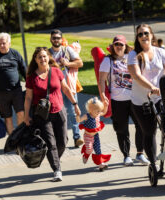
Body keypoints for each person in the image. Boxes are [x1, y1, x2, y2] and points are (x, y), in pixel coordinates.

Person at [24, 47, 81, 182]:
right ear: (35, 60)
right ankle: (57, 169)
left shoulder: (56, 71)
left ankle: (53, 157)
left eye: (44, 56)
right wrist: (26, 115)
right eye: (39, 57)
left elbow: (66, 89)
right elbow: (28, 98)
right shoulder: (32, 77)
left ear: (48, 57)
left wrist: (75, 104)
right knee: (51, 143)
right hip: (42, 115)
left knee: (63, 141)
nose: (42, 59)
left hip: (59, 111)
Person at [127, 24, 165, 171]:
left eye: (146, 33)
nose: (143, 36)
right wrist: (152, 88)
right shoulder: (133, 55)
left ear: (151, 35)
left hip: (161, 98)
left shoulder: (160, 52)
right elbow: (136, 75)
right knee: (149, 132)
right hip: (141, 101)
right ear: (137, 38)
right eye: (140, 34)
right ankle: (154, 164)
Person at [98, 35, 150, 166]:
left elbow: (142, 74)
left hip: (135, 98)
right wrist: (102, 95)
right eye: (116, 45)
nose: (119, 47)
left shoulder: (132, 57)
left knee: (141, 126)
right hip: (117, 100)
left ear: (125, 46)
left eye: (121, 44)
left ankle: (140, 153)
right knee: (121, 128)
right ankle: (126, 156)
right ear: (112, 46)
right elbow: (101, 80)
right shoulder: (107, 60)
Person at [49, 29, 84, 148]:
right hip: (54, 89)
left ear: (61, 39)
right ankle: (60, 138)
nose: (56, 40)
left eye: (58, 38)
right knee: (57, 115)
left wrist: (67, 64)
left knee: (74, 112)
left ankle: (77, 137)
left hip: (68, 86)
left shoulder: (67, 50)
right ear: (50, 39)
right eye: (54, 38)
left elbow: (80, 63)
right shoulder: (47, 53)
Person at [0, 32, 26, 134]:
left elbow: (24, 70)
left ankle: (20, 138)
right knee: (7, 118)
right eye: (0, 44)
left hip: (16, 90)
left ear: (9, 43)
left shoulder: (15, 54)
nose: (2, 45)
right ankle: (12, 140)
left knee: (21, 113)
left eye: (4, 43)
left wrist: (30, 84)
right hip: (1, 93)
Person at [76, 97, 111, 171]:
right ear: (91, 110)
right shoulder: (87, 116)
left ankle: (100, 163)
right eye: (97, 111)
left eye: (99, 111)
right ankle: (86, 155)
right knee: (89, 149)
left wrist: (106, 106)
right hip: (88, 136)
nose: (99, 113)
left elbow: (104, 112)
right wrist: (77, 115)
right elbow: (79, 120)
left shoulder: (98, 114)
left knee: (98, 149)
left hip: (95, 136)